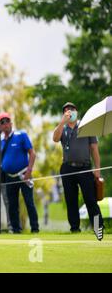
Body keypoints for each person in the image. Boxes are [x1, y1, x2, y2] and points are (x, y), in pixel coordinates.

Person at [52, 102, 103, 240]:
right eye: (66, 110)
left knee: (90, 200)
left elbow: (94, 149)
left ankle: (98, 228)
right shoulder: (62, 128)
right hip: (68, 167)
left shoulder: (86, 125)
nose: (70, 111)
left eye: (72, 109)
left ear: (76, 111)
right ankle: (75, 229)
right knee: (71, 200)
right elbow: (55, 138)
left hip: (85, 167)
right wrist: (62, 123)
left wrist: (97, 169)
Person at [0, 112, 39, 234]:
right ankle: (16, 229)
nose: (5, 124)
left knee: (29, 202)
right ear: (0, 126)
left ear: (11, 123)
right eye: (2, 122)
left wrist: (29, 171)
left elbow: (32, 153)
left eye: (7, 121)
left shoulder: (21, 135)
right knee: (12, 204)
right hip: (9, 177)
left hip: (24, 174)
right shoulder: (0, 141)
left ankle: (35, 229)